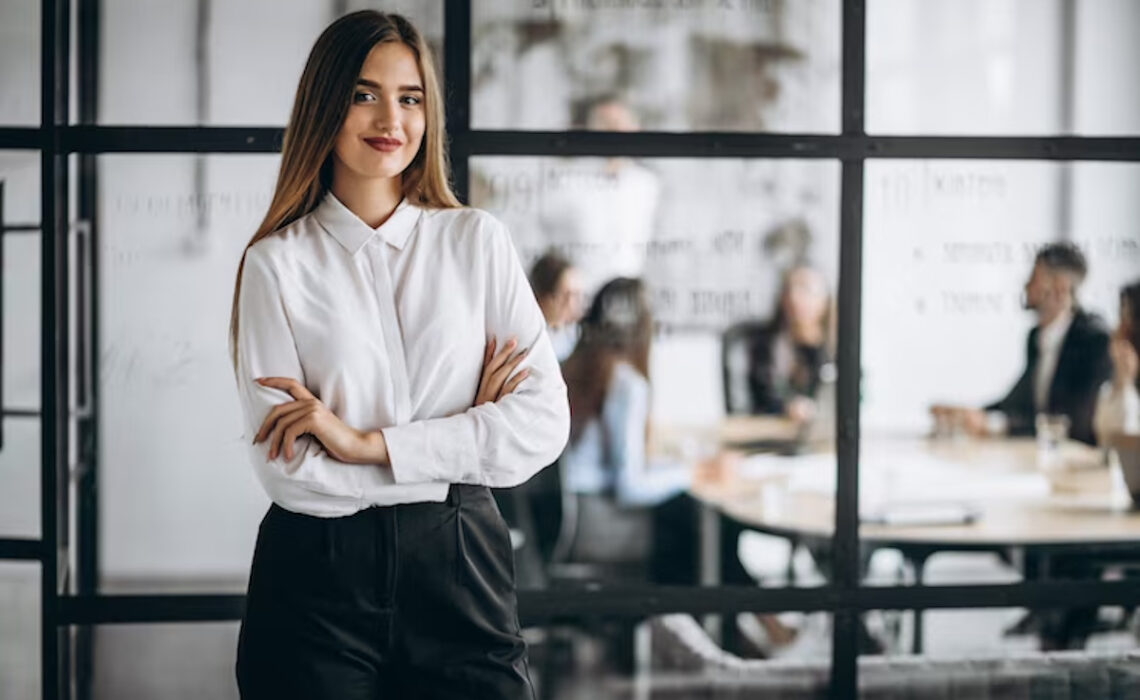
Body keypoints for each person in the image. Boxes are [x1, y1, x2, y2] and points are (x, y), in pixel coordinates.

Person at [228, 12, 569, 699]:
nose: (391, 116)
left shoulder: (477, 243)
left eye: (410, 97)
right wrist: (460, 441)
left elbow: (541, 427)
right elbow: (289, 474)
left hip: (461, 566)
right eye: (364, 93)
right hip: (315, 588)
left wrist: (362, 444)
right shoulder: (274, 266)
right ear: (325, 104)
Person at [558, 278, 794, 653]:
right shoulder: (626, 384)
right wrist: (695, 472)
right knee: (703, 525)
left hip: (566, 519)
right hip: (595, 526)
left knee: (694, 522)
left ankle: (745, 632)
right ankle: (743, 635)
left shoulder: (573, 365)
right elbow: (629, 486)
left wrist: (685, 471)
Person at [933, 243, 1112, 446]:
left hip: (1080, 465)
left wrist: (995, 425)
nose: (1026, 286)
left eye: (1034, 278)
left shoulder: (1095, 343)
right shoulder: (1036, 338)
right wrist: (971, 414)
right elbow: (1018, 402)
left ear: (1060, 287)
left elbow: (1069, 423)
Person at [747, 264, 834, 422]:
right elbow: (758, 400)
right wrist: (786, 408)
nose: (795, 297)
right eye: (790, 290)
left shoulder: (835, 348)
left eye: (805, 289)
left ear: (825, 300)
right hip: (772, 434)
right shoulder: (764, 344)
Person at [1094, 281, 1140, 442]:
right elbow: (1107, 441)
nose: (1118, 328)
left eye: (1127, 318)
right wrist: (1122, 383)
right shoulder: (1117, 379)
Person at [529, 250, 585, 361]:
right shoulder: (529, 341)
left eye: (576, 295)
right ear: (542, 297)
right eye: (565, 295)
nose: (572, 304)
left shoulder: (577, 337)